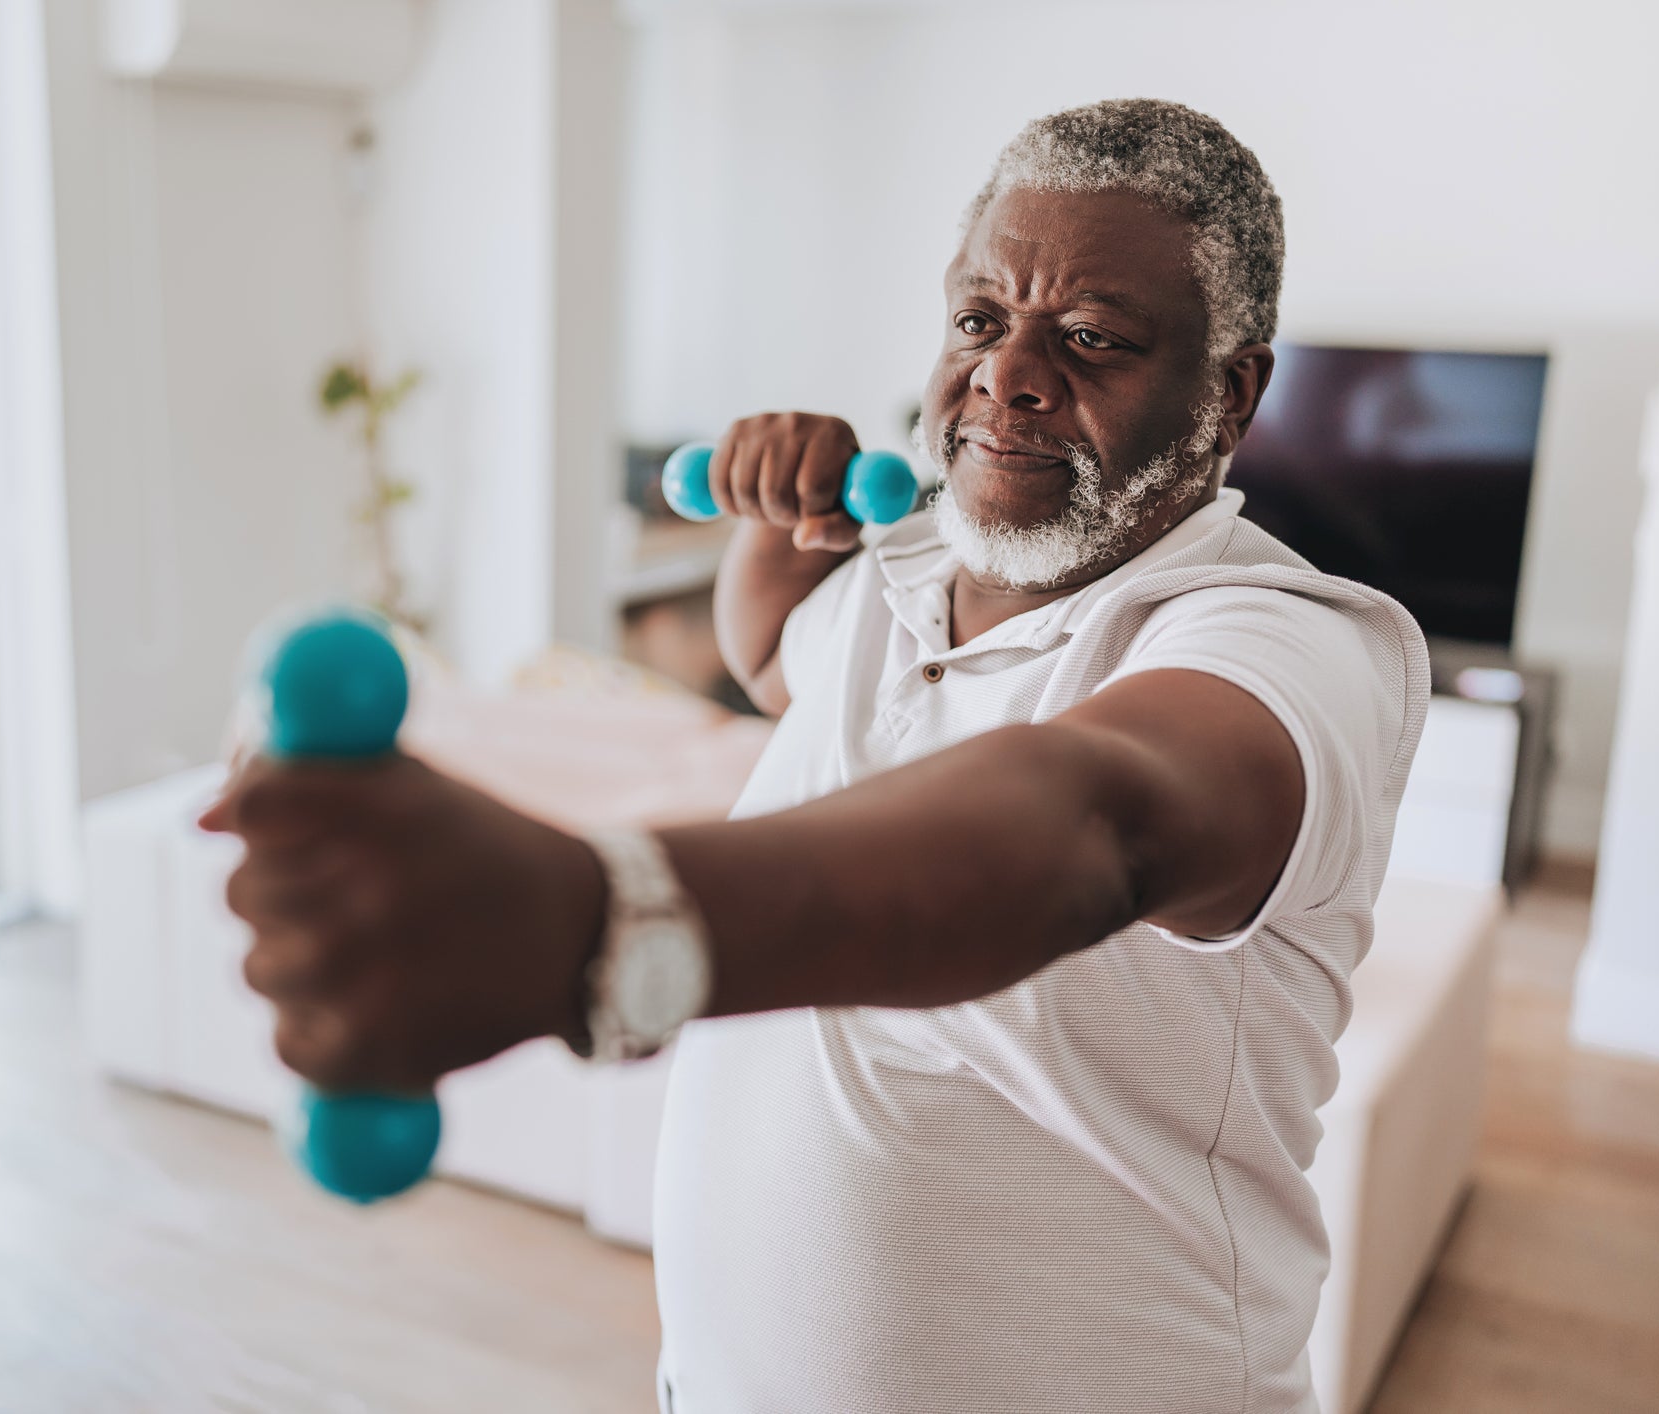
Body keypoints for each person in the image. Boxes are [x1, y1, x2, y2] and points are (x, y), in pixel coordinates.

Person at [201, 98, 1427, 1413]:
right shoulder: (900, 562)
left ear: (1230, 391)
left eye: (1089, 338)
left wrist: (601, 917)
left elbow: (1087, 826)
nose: (1004, 373)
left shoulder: (1291, 644)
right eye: (976, 319)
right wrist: (784, 516)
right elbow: (779, 658)